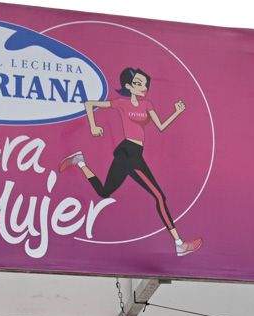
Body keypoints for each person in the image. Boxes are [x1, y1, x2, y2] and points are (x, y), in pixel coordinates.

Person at [59, 66, 202, 258]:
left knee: (104, 192)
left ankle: (81, 161)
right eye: (138, 83)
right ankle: (178, 244)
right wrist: (93, 126)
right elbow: (89, 104)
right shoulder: (121, 103)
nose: (143, 87)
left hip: (134, 154)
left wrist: (176, 112)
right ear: (129, 86)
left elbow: (160, 126)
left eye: (145, 84)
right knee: (159, 196)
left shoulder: (147, 105)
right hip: (128, 152)